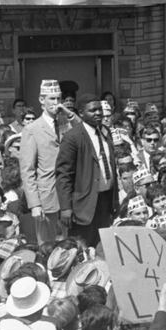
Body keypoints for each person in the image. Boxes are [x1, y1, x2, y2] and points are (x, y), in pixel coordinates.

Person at [55, 95, 119, 247]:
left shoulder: (105, 132)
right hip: (83, 205)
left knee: (102, 247)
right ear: (81, 113)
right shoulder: (73, 137)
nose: (98, 113)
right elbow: (63, 174)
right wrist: (65, 207)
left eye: (100, 109)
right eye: (93, 110)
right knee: (82, 247)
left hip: (105, 200)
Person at [19, 79, 77, 245]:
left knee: (68, 243)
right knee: (47, 245)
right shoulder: (32, 129)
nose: (56, 103)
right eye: (52, 99)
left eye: (58, 99)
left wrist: (67, 112)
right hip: (46, 196)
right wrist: (35, 204)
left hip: (68, 193)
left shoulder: (68, 123)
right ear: (41, 100)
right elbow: (27, 170)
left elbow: (84, 131)